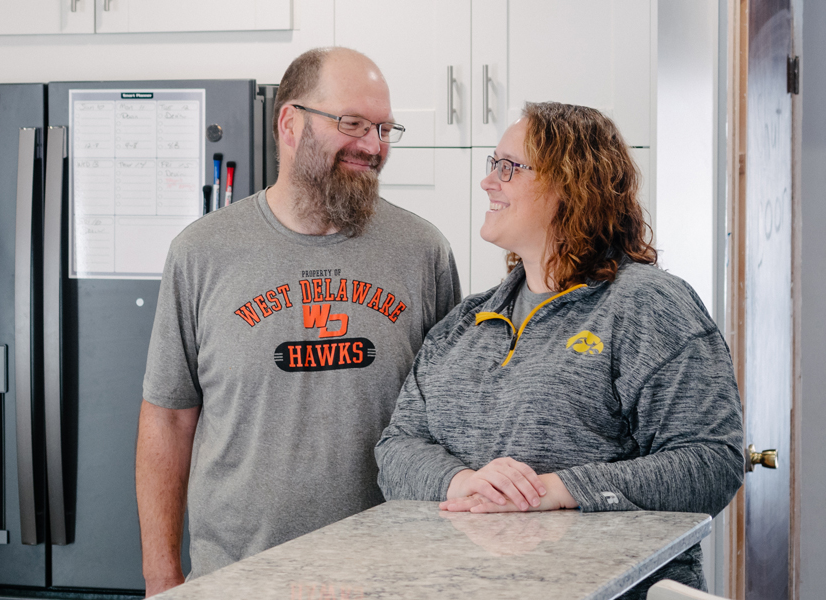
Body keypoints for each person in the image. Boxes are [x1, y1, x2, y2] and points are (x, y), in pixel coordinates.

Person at [374, 101, 744, 599]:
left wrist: (554, 491)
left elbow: (711, 462)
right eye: (492, 165)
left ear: (570, 186)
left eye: (509, 167)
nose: (489, 182)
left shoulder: (646, 305)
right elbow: (397, 449)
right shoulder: (468, 321)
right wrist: (464, 481)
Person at [136, 47, 463, 596]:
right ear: (290, 122)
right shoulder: (202, 252)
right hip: (237, 580)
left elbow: (455, 418)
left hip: (390, 576)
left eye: (384, 128)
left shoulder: (423, 252)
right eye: (352, 123)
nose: (373, 146)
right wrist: (162, 577)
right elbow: (168, 419)